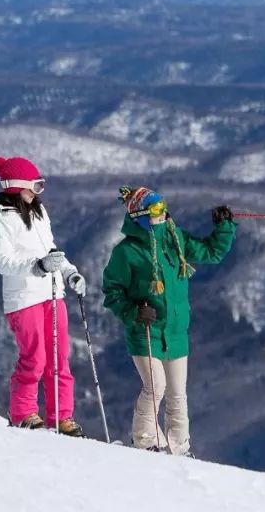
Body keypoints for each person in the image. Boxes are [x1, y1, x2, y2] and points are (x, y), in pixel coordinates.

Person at [102, 186, 236, 456]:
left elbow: (211, 252)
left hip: (175, 332)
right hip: (145, 331)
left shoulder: (176, 240)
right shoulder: (126, 252)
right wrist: (133, 312)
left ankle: (179, 448)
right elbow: (112, 291)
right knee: (155, 387)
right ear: (140, 215)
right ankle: (145, 440)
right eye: (155, 209)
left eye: (163, 206)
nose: (163, 213)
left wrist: (224, 227)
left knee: (177, 393)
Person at [0, 156, 86, 435]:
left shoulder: (38, 211)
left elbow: (51, 250)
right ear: (17, 186)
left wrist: (70, 272)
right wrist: (36, 266)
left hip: (52, 293)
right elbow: (2, 261)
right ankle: (23, 412)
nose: (38, 192)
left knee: (59, 357)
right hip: (24, 297)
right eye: (35, 186)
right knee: (35, 358)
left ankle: (61, 416)